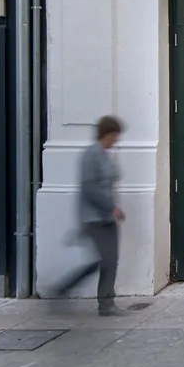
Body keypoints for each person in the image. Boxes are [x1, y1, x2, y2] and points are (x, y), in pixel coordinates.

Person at [52, 115, 127, 316]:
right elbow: (89, 189)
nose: (116, 139)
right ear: (105, 133)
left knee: (110, 261)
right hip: (94, 218)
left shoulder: (105, 154)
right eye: (114, 135)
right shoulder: (91, 155)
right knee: (106, 261)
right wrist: (111, 206)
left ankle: (106, 303)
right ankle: (67, 289)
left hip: (108, 218)